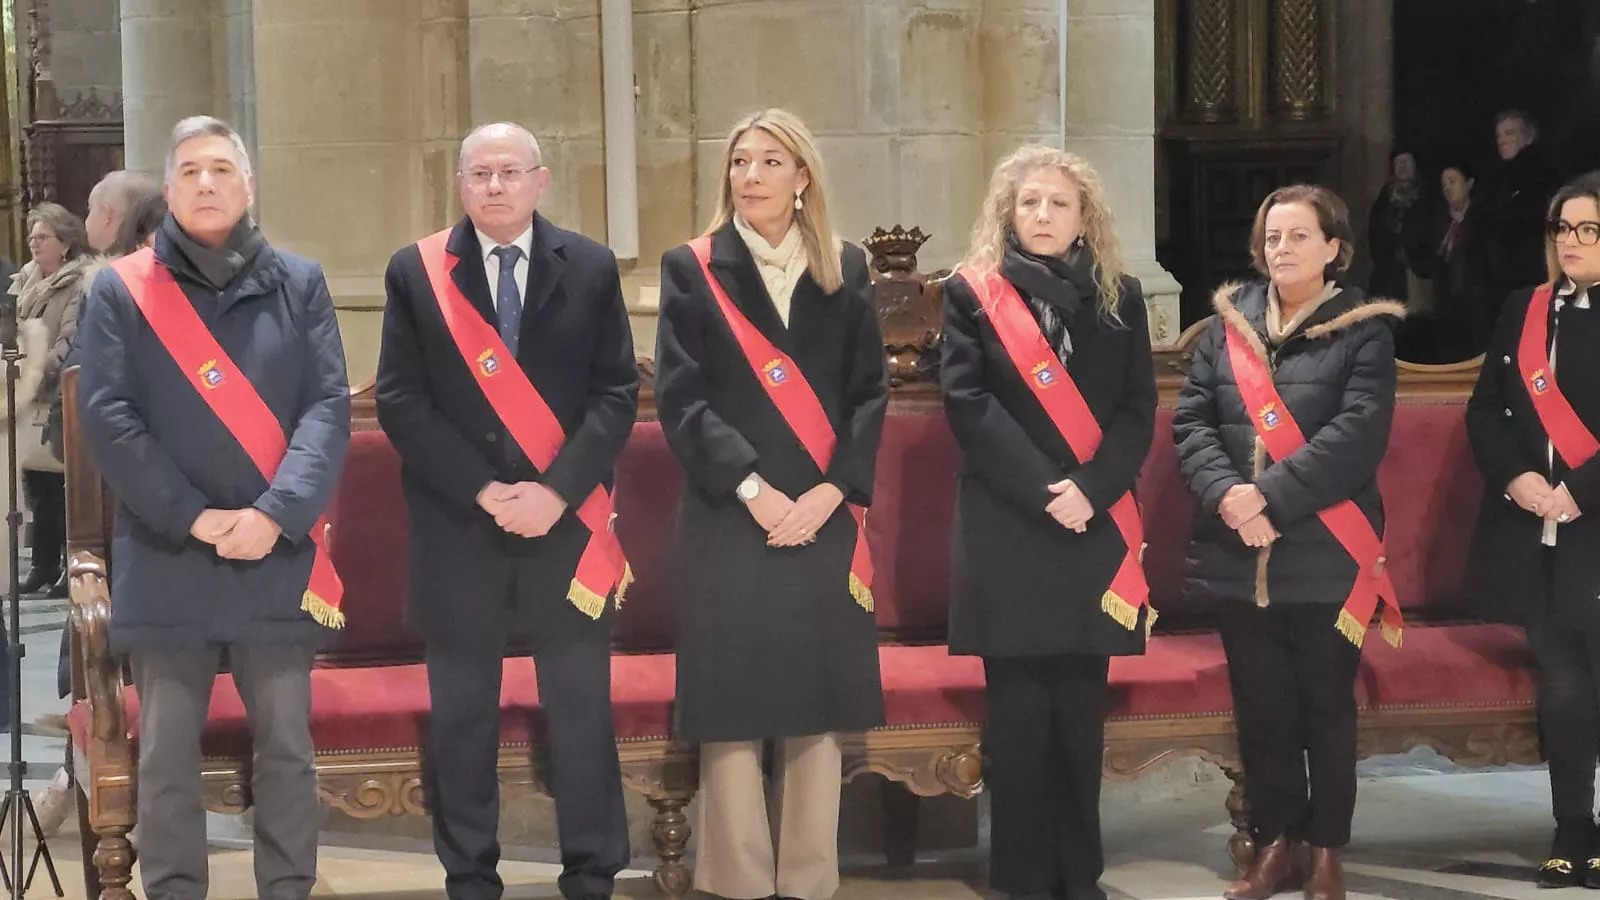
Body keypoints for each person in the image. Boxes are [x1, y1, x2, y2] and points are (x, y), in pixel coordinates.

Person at [76, 115, 350, 900]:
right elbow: (109, 418)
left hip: (276, 551)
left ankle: (289, 888)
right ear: (168, 189)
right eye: (190, 171)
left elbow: (326, 410)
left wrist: (275, 513)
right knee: (165, 753)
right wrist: (193, 516)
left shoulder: (300, 282)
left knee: (288, 750)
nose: (206, 183)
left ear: (249, 186)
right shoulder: (121, 291)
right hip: (170, 556)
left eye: (222, 169)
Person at [377, 122, 637, 900]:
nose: (494, 186)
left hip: (566, 530)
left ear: (540, 180)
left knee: (582, 709)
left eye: (509, 172)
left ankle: (592, 871)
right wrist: (485, 490)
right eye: (479, 174)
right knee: (462, 718)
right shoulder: (417, 272)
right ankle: (470, 875)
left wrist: (555, 493)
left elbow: (616, 393)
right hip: (461, 528)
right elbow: (400, 400)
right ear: (461, 185)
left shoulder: (588, 267)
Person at [654, 108, 888, 900]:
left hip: (822, 515)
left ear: (803, 178)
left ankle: (809, 881)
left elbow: (868, 396)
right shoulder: (692, 268)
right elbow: (682, 402)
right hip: (731, 513)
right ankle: (740, 882)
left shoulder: (846, 267)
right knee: (733, 697)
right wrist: (754, 491)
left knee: (814, 695)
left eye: (768, 162)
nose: (749, 176)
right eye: (740, 162)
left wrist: (829, 493)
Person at [1172, 185, 1405, 900]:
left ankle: (1325, 849)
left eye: (1299, 237)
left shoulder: (1364, 332)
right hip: (1236, 552)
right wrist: (1230, 498)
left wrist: (1267, 498)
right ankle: (1274, 844)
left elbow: (1356, 438)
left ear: (1334, 248)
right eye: (1273, 237)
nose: (1282, 250)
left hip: (1326, 553)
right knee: (1265, 709)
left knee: (1326, 707)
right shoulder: (1225, 330)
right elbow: (1192, 425)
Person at [939, 146, 1154, 900]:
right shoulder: (972, 295)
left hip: (1091, 529)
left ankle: (1078, 875)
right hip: (1009, 526)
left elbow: (1136, 412)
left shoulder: (1120, 296)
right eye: (1028, 202)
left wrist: (1090, 491)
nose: (1041, 215)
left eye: (1058, 204)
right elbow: (969, 406)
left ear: (1083, 216)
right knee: (1021, 720)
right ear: (1008, 212)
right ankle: (1023, 877)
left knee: (1079, 717)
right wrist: (1045, 490)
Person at [1463, 171, 1600, 888]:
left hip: (1594, 525)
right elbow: (1485, 411)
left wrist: (1579, 491)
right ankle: (1571, 824)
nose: (1571, 242)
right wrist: (1520, 481)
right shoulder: (1526, 309)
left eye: (1588, 230)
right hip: (1539, 531)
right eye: (1563, 230)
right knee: (1565, 684)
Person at [12, 203, 96, 598]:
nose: (33, 243)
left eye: (42, 237)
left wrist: (32, 369)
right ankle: (43, 564)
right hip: (26, 393)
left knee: (64, 486)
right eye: (31, 236)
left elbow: (69, 341)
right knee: (36, 485)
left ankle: (69, 566)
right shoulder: (26, 281)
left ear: (64, 244)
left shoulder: (78, 285)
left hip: (58, 394)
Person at [1397, 164, 1493, 363]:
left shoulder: (1483, 221)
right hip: (1446, 308)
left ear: (1469, 184)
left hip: (1477, 308)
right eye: (1444, 184)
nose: (1448, 188)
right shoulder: (1439, 223)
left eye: (1453, 181)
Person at [1478, 110, 1564, 308]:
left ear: (1527, 137)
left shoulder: (1543, 172)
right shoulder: (1498, 177)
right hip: (1504, 276)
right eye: (1498, 135)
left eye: (1509, 133)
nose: (1502, 140)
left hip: (1534, 272)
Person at [1366, 149, 1431, 304]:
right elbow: (1374, 236)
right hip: (1387, 277)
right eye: (1398, 162)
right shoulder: (1383, 201)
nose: (1402, 166)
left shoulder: (1427, 199)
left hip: (1418, 277)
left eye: (1407, 161)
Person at [85, 170, 160, 255]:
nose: (86, 221)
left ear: (106, 213)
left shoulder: (115, 267)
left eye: (90, 209)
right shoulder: (164, 259)